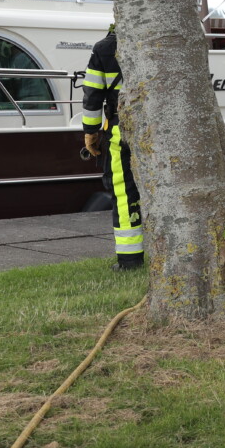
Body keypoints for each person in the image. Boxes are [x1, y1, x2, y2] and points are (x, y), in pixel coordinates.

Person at [80, 25, 142, 270]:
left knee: (125, 194)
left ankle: (130, 259)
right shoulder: (165, 41)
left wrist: (90, 131)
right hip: (162, 132)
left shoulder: (105, 48)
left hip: (121, 131)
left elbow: (93, 94)